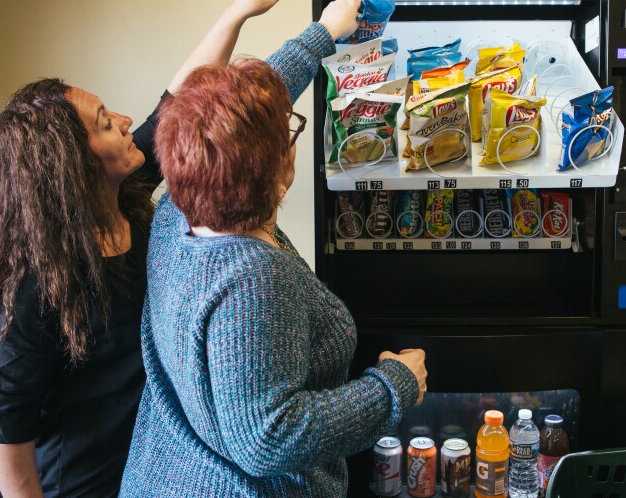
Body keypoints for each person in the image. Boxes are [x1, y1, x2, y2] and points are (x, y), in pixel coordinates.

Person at [0, 0, 363, 498]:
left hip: (157, 460)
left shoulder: (141, 201)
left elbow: (196, 114)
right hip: (90, 482)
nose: (127, 122)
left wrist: (239, 15)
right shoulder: (40, 284)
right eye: (106, 123)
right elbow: (3, 425)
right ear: (71, 169)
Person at [118, 53, 428, 496]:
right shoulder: (253, 281)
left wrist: (322, 35)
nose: (293, 139)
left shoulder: (173, 211)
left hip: (164, 473)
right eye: (289, 133)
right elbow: (270, 436)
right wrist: (392, 387)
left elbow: (230, 115)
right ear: (274, 173)